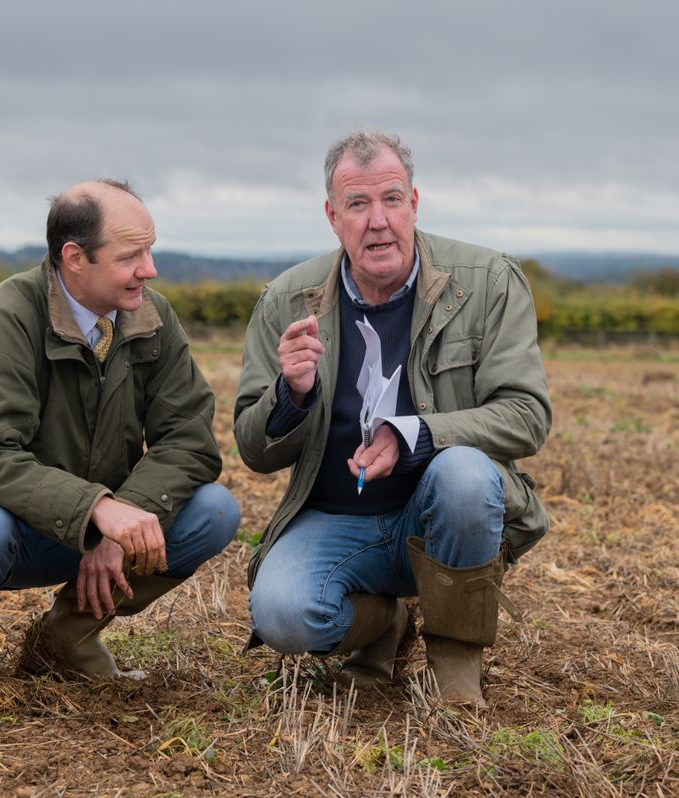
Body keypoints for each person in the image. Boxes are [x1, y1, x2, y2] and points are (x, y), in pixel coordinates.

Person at [233, 130, 551, 707]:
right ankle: (383, 627)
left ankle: (456, 663)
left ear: (415, 203)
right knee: (281, 615)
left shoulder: (488, 282)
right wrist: (293, 393)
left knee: (464, 474)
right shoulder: (285, 301)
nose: (377, 221)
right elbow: (255, 453)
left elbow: (526, 416)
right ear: (332, 217)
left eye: (391, 199)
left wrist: (418, 435)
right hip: (336, 520)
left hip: (438, 520)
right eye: (357, 204)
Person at [0, 179, 239, 703]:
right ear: (75, 257)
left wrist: (119, 516)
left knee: (214, 511)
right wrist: (97, 511)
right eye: (131, 255)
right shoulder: (7, 318)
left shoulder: (152, 318)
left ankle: (66, 636)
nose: (149, 269)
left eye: (149, 250)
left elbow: (190, 440)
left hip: (85, 523)